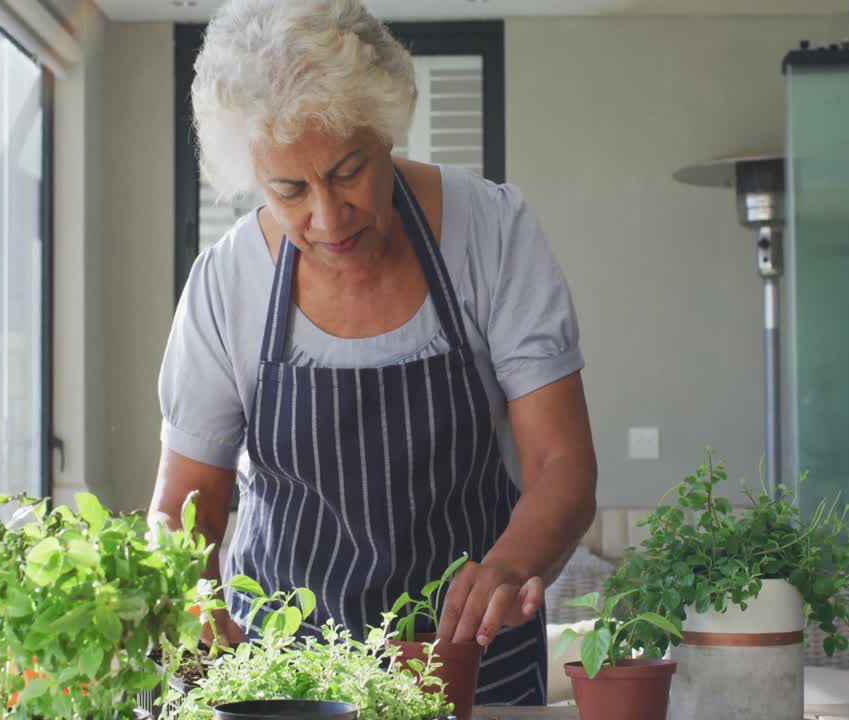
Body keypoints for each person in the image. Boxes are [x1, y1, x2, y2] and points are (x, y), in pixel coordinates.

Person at [150, 0, 598, 706]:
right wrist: (193, 612)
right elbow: (184, 508)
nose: (328, 218)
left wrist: (510, 566)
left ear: (387, 130)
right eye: (289, 190)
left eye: (349, 170)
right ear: (253, 178)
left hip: (467, 664)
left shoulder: (491, 232)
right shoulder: (226, 283)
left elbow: (562, 463)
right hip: (286, 682)